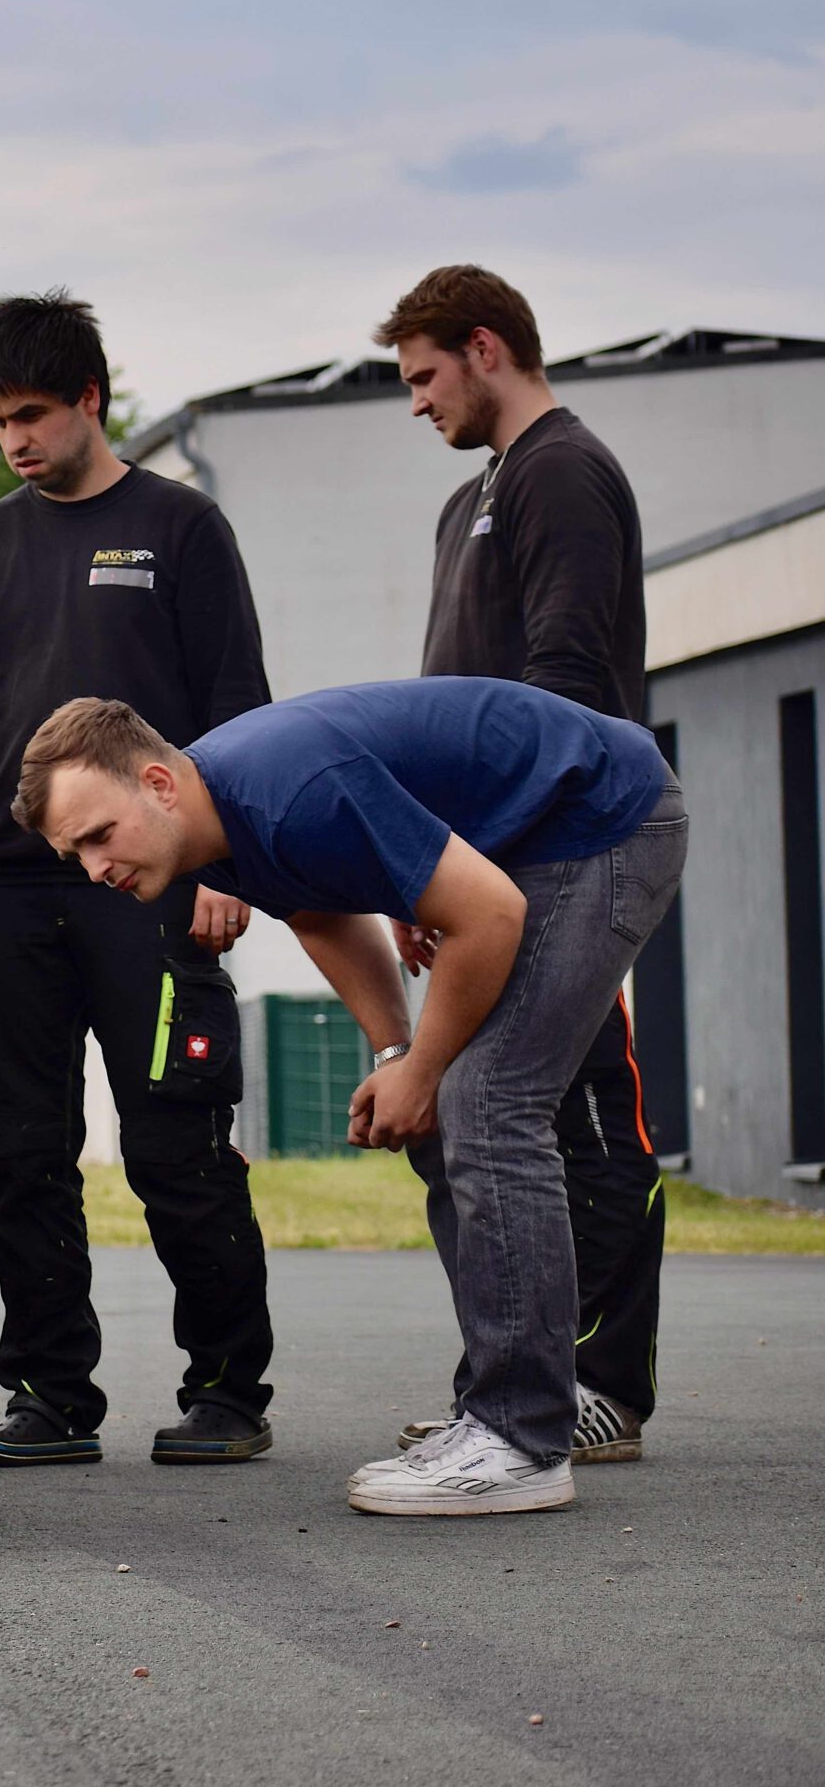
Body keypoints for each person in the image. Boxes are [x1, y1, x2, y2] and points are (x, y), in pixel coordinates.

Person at [15, 683, 686, 1514]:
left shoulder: (286, 793)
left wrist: (425, 1066)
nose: (94, 869)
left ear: (157, 784)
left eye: (97, 836)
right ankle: (502, 1405)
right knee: (451, 1110)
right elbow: (322, 915)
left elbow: (487, 912)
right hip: (526, 835)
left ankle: (521, 1438)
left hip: (605, 817)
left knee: (485, 1101)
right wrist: (397, 1052)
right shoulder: (214, 829)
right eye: (73, 854)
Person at [0, 290, 276, 1468]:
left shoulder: (180, 528)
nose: (12, 439)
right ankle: (50, 1398)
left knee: (177, 1147)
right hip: (12, 893)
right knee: (21, 1152)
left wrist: (229, 867)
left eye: (29, 414)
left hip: (155, 890)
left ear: (90, 401)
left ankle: (225, 1392)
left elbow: (236, 708)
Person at [374, 264, 663, 1466]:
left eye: (424, 376)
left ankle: (602, 1388)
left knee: (571, 1117)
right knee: (473, 1118)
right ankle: (510, 1383)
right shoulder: (470, 501)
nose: (414, 404)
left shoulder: (564, 471)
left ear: (485, 348)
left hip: (562, 853)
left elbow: (563, 683)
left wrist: (474, 853)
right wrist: (423, 866)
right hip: (477, 866)